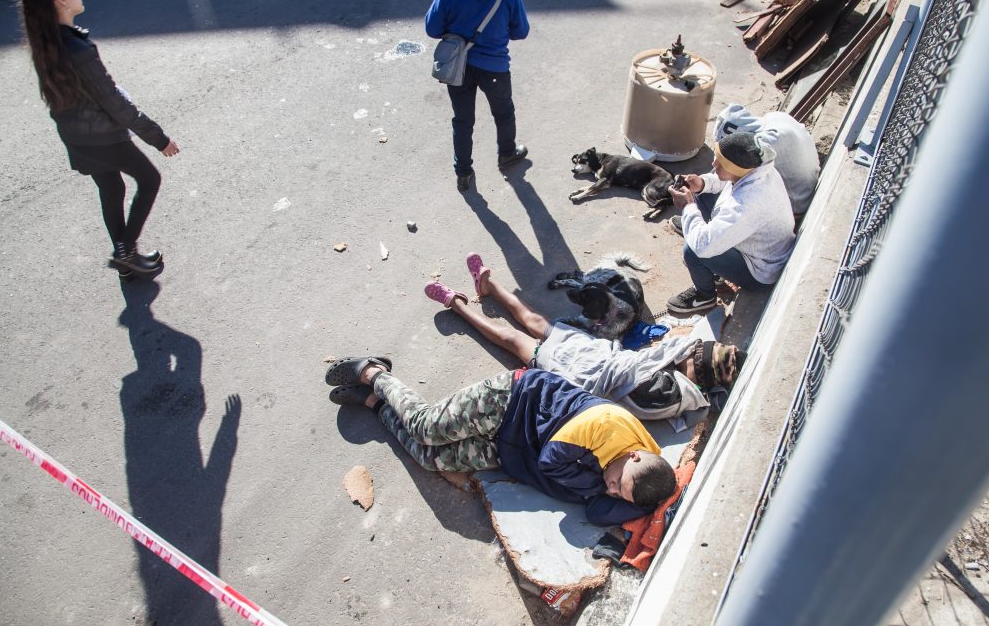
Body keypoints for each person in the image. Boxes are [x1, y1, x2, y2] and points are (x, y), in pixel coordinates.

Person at [326, 356, 675, 526]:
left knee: (430, 459)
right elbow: (550, 461)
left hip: (511, 447)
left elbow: (599, 512)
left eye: (619, 493)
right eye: (617, 484)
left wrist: (638, 502)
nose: (610, 490)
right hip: (513, 401)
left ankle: (375, 403)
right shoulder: (606, 425)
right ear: (633, 455)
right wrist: (596, 485)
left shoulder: (641, 477)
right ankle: (373, 373)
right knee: (425, 428)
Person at [421, 253, 744, 423]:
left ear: (696, 373)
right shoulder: (675, 377)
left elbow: (618, 381)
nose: (685, 352)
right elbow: (658, 354)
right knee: (534, 319)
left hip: (574, 371)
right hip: (589, 351)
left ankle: (457, 303)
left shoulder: (664, 393)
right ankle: (488, 287)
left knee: (511, 338)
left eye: (692, 357)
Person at [17, 0, 180, 281]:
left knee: (111, 187)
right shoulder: (77, 49)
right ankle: (126, 251)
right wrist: (159, 138)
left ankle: (126, 262)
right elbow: (115, 104)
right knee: (149, 180)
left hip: (77, 137)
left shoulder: (48, 42)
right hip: (105, 138)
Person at [425, 0, 530, 192]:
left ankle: (463, 173)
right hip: (495, 67)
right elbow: (521, 31)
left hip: (458, 67)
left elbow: (432, 28)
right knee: (503, 112)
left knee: (462, 120)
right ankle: (507, 154)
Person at [666, 132, 795, 315]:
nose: (713, 164)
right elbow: (725, 179)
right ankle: (698, 231)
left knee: (693, 251)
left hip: (758, 270)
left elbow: (703, 246)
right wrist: (702, 183)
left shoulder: (747, 204)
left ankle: (704, 296)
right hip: (754, 243)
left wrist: (688, 207)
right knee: (702, 194)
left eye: (720, 163)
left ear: (736, 167)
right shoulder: (756, 170)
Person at [712, 103, 820, 216]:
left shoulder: (767, 144)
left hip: (797, 204)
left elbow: (742, 180)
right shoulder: (776, 117)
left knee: (712, 196)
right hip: (809, 179)